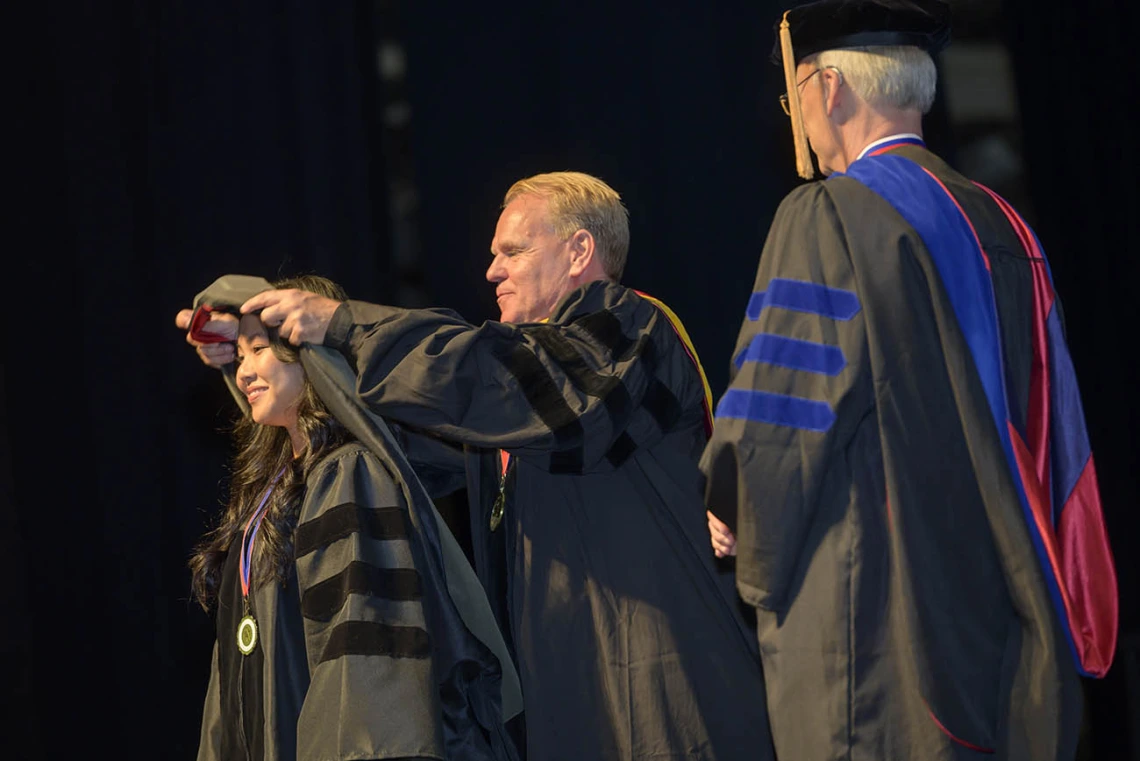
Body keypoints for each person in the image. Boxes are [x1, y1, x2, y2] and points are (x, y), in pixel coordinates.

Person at [178, 172, 774, 761]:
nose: (492, 270)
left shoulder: (630, 330)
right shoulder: (509, 408)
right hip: (570, 697)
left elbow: (487, 379)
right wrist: (265, 357)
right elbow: (377, 437)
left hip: (668, 685)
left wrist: (340, 323)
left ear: (579, 251)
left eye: (513, 251)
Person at [700, 1, 1119, 759]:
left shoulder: (832, 215)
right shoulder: (1004, 223)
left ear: (830, 90)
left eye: (794, 95)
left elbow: (777, 415)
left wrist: (731, 498)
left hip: (879, 624)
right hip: (1004, 615)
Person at [187, 273, 521, 761]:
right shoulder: (275, 491)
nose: (243, 373)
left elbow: (363, 656)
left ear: (311, 355)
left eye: (259, 350)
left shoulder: (348, 473)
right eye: (239, 357)